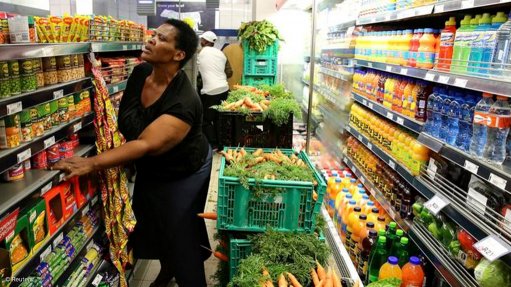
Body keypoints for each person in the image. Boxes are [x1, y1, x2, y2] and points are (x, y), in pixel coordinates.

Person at [52, 19, 212, 287]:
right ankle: (166, 270)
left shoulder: (183, 102)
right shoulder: (140, 73)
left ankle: (188, 276)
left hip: (184, 171)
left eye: (161, 39)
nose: (151, 39)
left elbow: (144, 143)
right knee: (153, 224)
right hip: (152, 168)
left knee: (180, 232)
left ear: (178, 54)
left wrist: (91, 164)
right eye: (153, 34)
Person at [197, 31, 233, 149]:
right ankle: (222, 144)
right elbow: (229, 72)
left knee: (206, 120)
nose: (200, 41)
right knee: (219, 118)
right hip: (224, 89)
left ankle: (213, 144)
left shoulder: (199, 53)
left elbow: (195, 73)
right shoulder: (221, 53)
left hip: (210, 91)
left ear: (205, 41)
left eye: (202, 39)